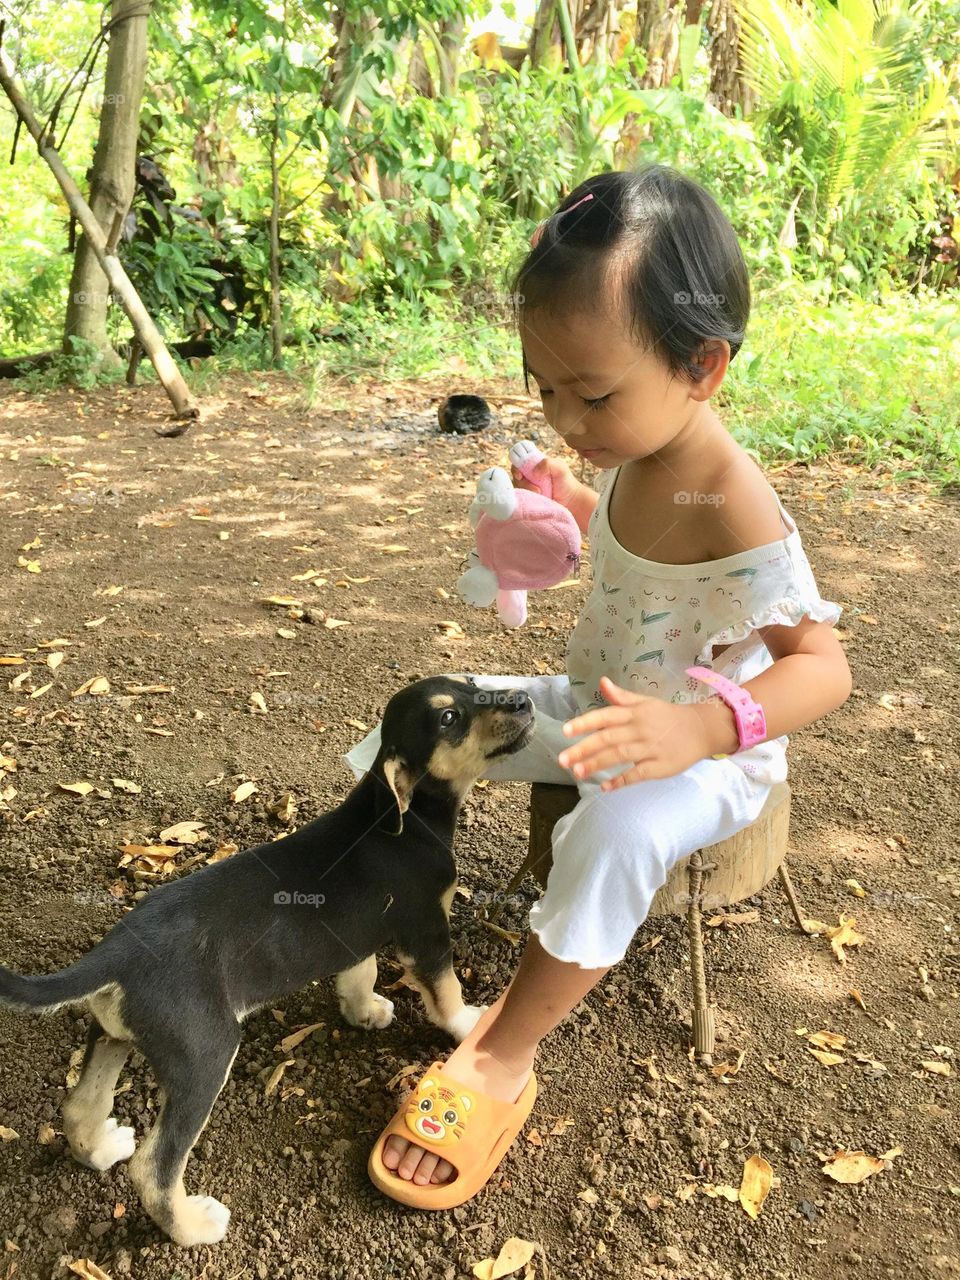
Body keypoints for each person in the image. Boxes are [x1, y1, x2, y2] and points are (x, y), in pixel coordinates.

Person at [348, 166, 852, 1207]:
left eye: (592, 393)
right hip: (595, 704)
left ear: (702, 365)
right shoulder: (634, 442)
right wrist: (569, 498)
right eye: (544, 386)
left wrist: (702, 727)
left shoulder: (734, 499)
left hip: (707, 750)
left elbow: (823, 667)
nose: (563, 414)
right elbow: (630, 547)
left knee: (611, 837)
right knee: (425, 712)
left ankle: (501, 1051)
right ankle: (351, 895)